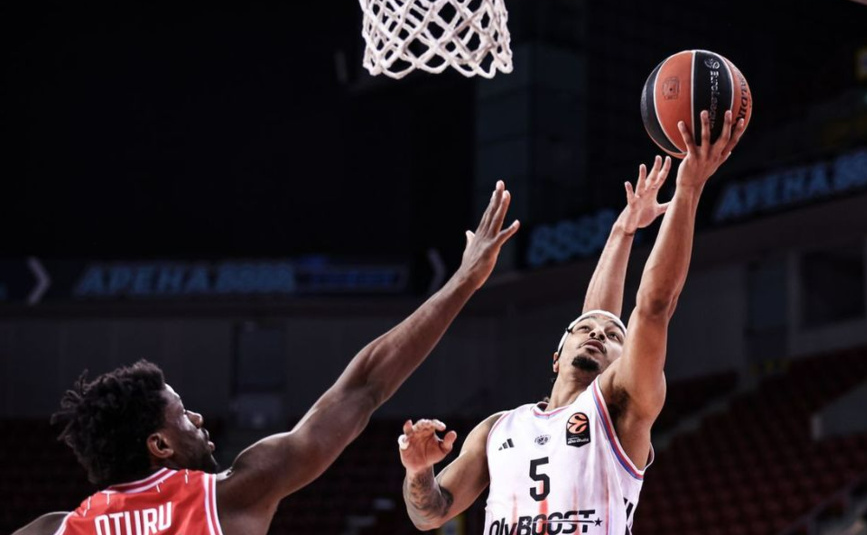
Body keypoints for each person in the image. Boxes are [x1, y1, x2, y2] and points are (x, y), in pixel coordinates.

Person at [13, 181, 521, 535]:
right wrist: (464, 283)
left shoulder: (55, 528)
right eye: (182, 414)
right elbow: (364, 386)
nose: (196, 418)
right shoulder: (230, 495)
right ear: (159, 444)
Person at [398, 111, 746, 535]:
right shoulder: (498, 428)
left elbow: (654, 307)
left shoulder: (621, 410)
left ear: (625, 360)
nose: (599, 333)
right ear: (556, 357)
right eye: (585, 331)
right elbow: (429, 512)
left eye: (616, 336)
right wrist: (418, 471)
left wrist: (689, 189)